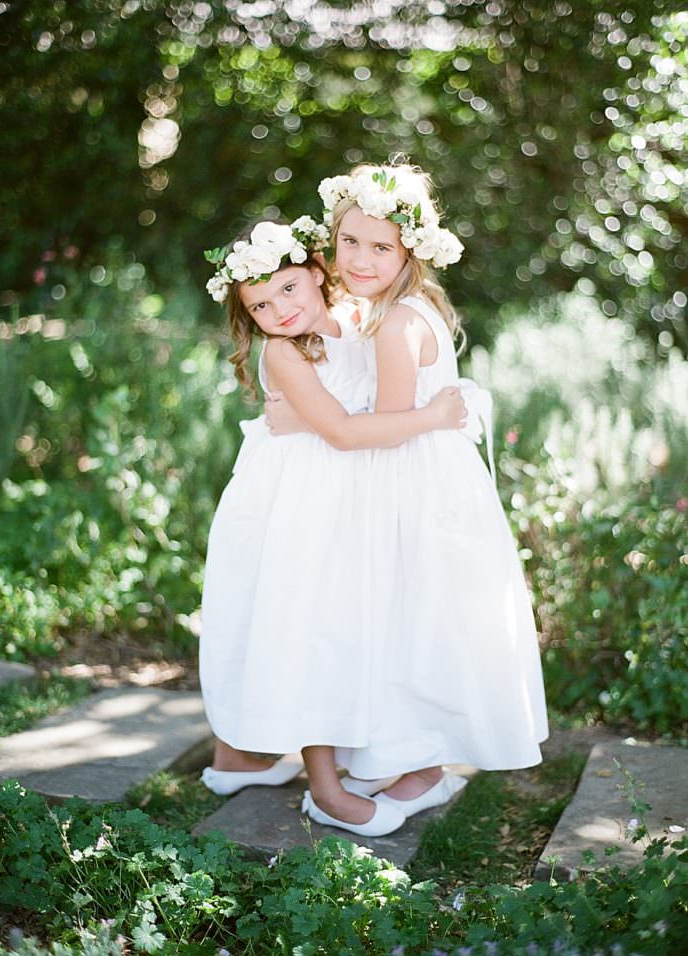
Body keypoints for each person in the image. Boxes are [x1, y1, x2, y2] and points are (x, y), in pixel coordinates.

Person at [266, 164, 549, 821]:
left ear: (411, 250)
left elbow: (387, 427)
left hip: (411, 485)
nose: (361, 260)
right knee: (412, 622)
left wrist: (301, 419)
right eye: (350, 243)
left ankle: (424, 765)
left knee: (413, 620)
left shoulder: (396, 326)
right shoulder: (392, 309)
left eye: (381, 247)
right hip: (429, 477)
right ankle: (410, 758)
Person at [199, 216, 466, 837]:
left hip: (337, 499)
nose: (280, 310)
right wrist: (434, 415)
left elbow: (363, 396)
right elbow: (345, 432)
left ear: (318, 274)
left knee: (338, 626)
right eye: (260, 305)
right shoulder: (283, 352)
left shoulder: (355, 319)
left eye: (289, 289)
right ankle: (323, 789)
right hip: (294, 503)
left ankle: (254, 757)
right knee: (309, 627)